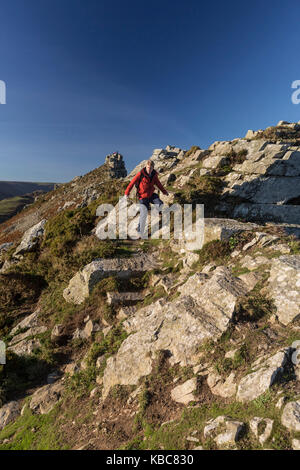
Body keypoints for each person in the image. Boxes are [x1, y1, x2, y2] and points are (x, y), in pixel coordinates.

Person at [124, 160, 169, 238]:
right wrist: (126, 193)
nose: (149, 169)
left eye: (151, 168)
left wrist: (164, 192)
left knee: (160, 204)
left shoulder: (154, 175)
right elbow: (131, 183)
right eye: (148, 167)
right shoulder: (140, 174)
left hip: (151, 195)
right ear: (145, 167)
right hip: (143, 197)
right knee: (143, 214)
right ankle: (139, 232)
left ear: (153, 168)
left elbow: (158, 184)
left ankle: (155, 214)